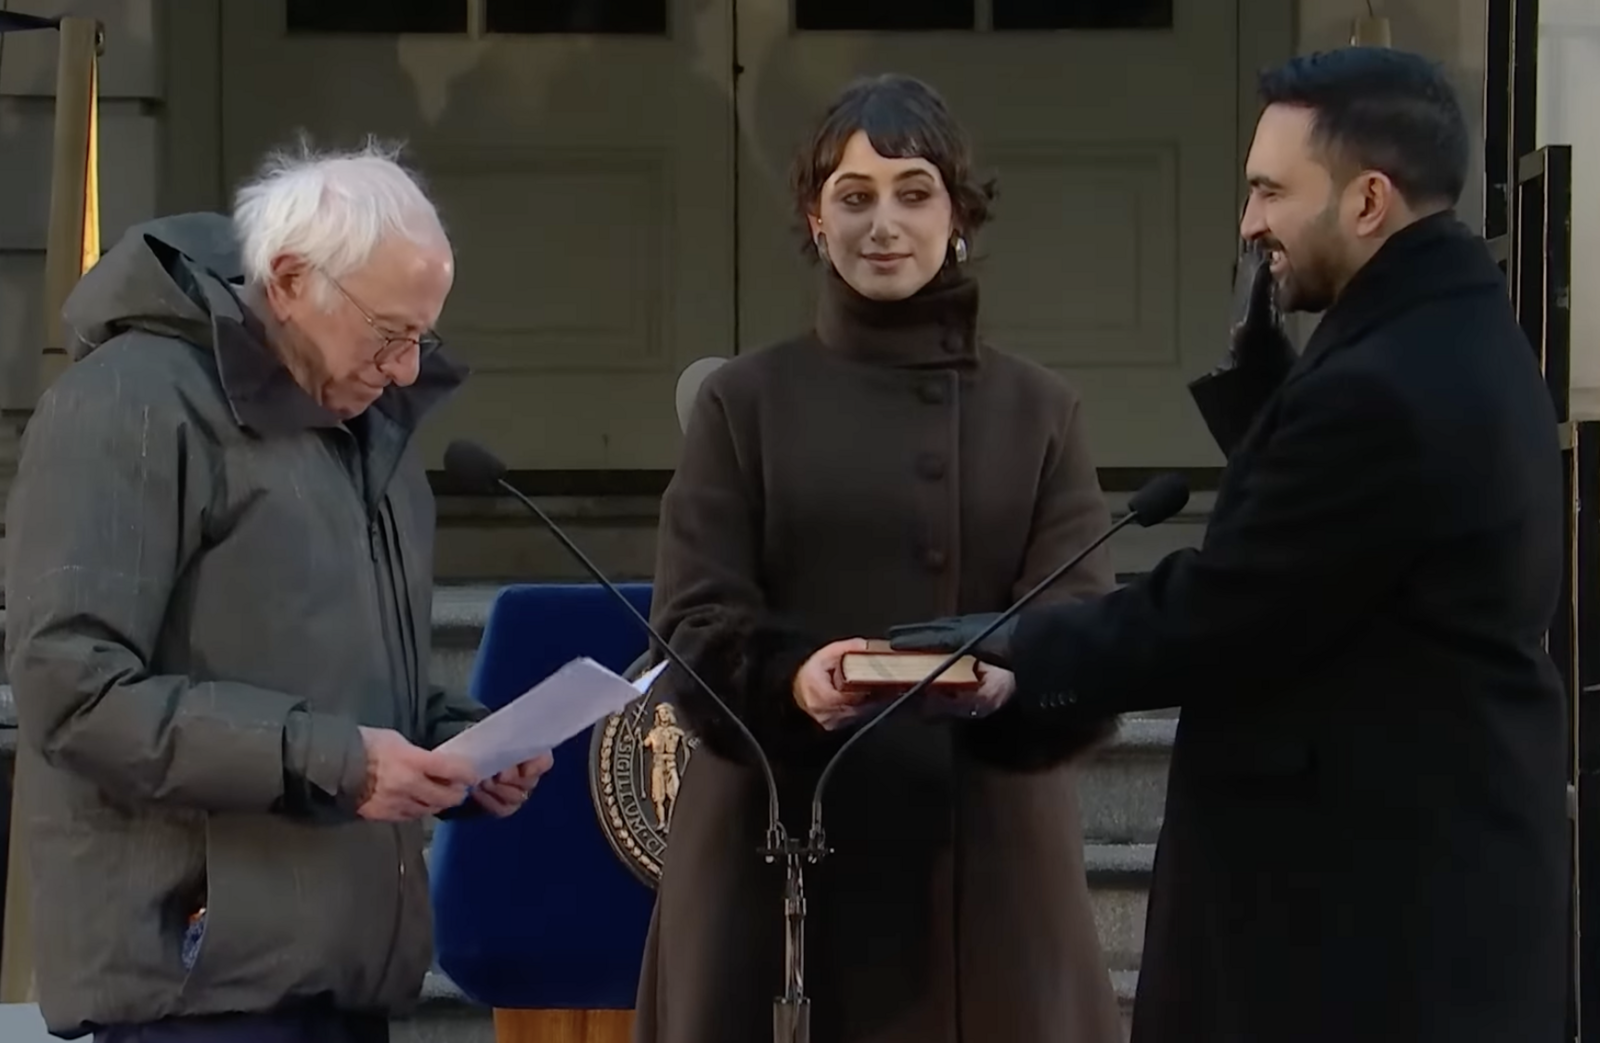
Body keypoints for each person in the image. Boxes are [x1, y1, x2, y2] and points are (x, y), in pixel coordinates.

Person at [888, 47, 1568, 1043]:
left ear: (1367, 199)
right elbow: (1340, 554)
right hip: (1421, 908)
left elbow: (1227, 611)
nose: (1249, 223)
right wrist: (1266, 390)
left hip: (1356, 938)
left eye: (1268, 190)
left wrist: (1012, 647)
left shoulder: (1380, 389)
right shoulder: (1454, 332)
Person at [5, 141, 554, 1043]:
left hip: (341, 970)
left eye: (423, 337)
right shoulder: (130, 405)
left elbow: (351, 682)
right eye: (389, 334)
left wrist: (456, 747)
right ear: (293, 281)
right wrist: (337, 761)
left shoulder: (363, 424)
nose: (409, 369)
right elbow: (73, 689)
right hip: (198, 980)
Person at [634, 74, 1123, 1043]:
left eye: (912, 191)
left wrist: (1010, 679)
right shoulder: (743, 401)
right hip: (775, 845)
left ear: (958, 214)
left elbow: (1081, 619)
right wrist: (792, 685)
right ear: (815, 221)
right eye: (853, 198)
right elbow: (693, 620)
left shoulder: (1040, 409)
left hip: (982, 856)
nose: (883, 223)